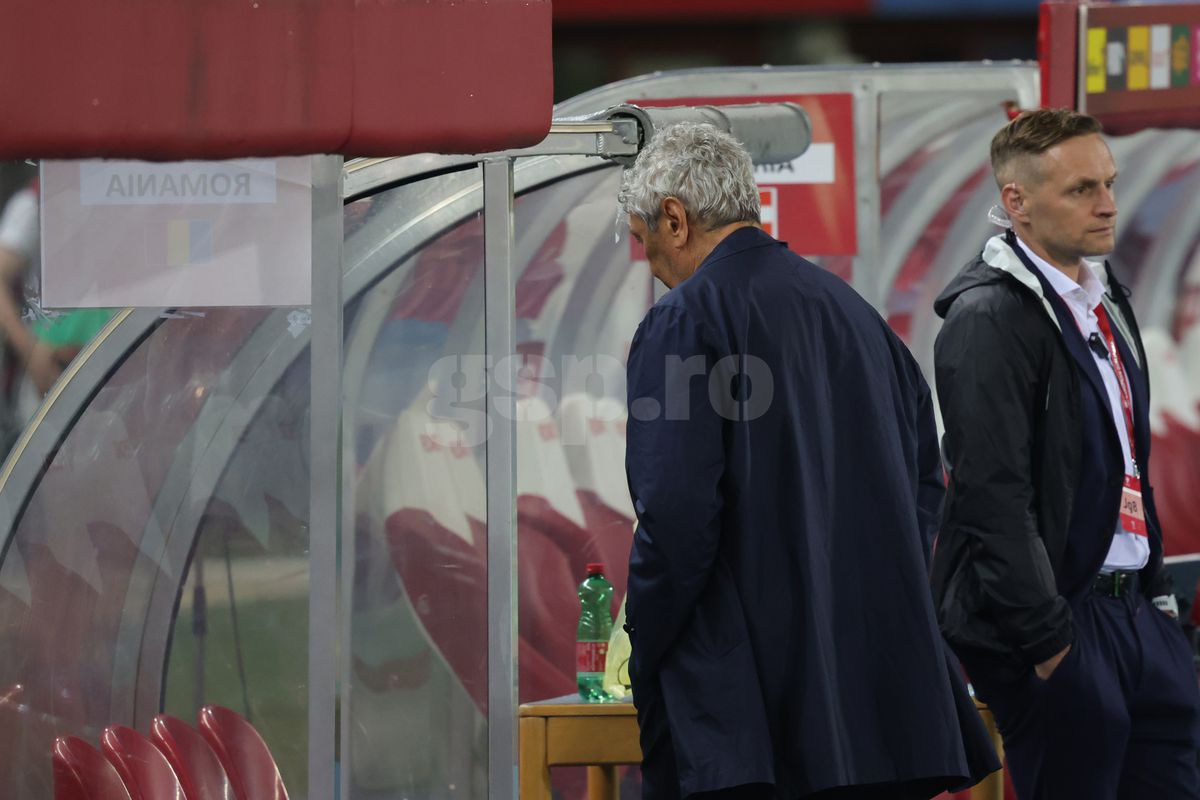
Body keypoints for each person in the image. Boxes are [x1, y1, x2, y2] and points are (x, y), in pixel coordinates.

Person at [618, 121, 998, 800]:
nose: (647, 260)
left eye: (643, 240)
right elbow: (924, 488)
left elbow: (675, 518)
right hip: (879, 706)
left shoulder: (684, 322)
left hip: (750, 717)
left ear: (674, 220)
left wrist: (646, 636)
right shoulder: (857, 316)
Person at [930, 108, 1200, 799]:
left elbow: (1125, 463)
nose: (1108, 203)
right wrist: (1049, 645)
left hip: (1136, 621)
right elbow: (992, 499)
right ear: (1015, 202)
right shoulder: (989, 319)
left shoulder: (1107, 301)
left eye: (1108, 183)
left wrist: (1158, 609)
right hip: (1067, 627)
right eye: (1083, 189)